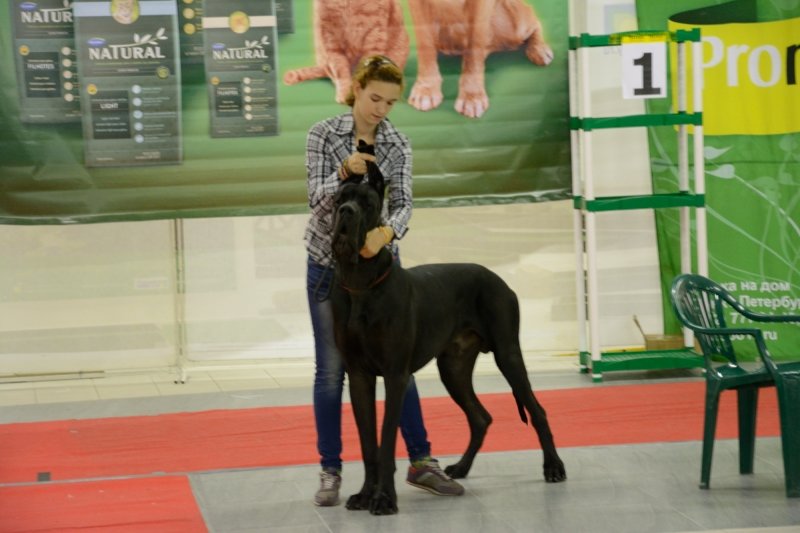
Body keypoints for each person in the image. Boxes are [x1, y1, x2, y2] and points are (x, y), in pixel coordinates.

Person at [304, 54, 465, 507]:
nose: (381, 109)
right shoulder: (323, 134)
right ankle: (331, 471)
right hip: (326, 267)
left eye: (390, 102)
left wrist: (388, 232)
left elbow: (405, 203)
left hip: (382, 272)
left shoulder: (398, 143)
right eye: (375, 98)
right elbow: (315, 201)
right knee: (332, 372)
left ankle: (420, 461)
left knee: (399, 367)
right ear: (356, 89)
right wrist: (342, 173)